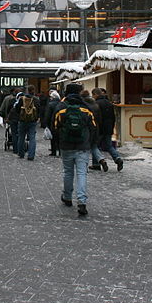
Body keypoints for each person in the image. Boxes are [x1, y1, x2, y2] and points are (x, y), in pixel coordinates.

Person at [53, 83, 97, 216]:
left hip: (66, 146)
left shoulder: (61, 107)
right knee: (82, 173)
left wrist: (59, 142)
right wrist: (91, 143)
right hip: (83, 146)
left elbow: (54, 126)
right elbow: (94, 127)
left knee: (68, 172)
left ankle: (67, 197)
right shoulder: (86, 108)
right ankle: (82, 201)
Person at [94, 88, 124, 171]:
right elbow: (113, 117)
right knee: (109, 146)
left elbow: (97, 117)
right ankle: (117, 158)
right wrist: (112, 127)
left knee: (95, 146)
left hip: (100, 129)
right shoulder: (109, 103)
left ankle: (97, 163)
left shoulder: (96, 104)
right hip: (108, 128)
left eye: (93, 95)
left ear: (96, 94)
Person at [81, 90, 108, 172]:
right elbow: (100, 118)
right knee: (93, 146)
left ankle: (84, 166)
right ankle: (101, 160)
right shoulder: (95, 105)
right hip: (95, 128)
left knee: (84, 147)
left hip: (86, 128)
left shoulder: (83, 106)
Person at [16, 85, 40, 160]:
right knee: (32, 137)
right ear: (33, 90)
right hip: (32, 121)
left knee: (21, 137)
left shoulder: (22, 99)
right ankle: (31, 155)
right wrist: (37, 117)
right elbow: (39, 109)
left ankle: (21, 154)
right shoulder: (36, 99)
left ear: (27, 90)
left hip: (22, 120)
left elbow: (17, 109)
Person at [41, 89, 61, 156]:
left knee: (53, 138)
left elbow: (48, 115)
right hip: (60, 122)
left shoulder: (50, 104)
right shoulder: (61, 103)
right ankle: (60, 152)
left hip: (52, 122)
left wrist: (45, 123)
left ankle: (54, 151)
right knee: (59, 137)